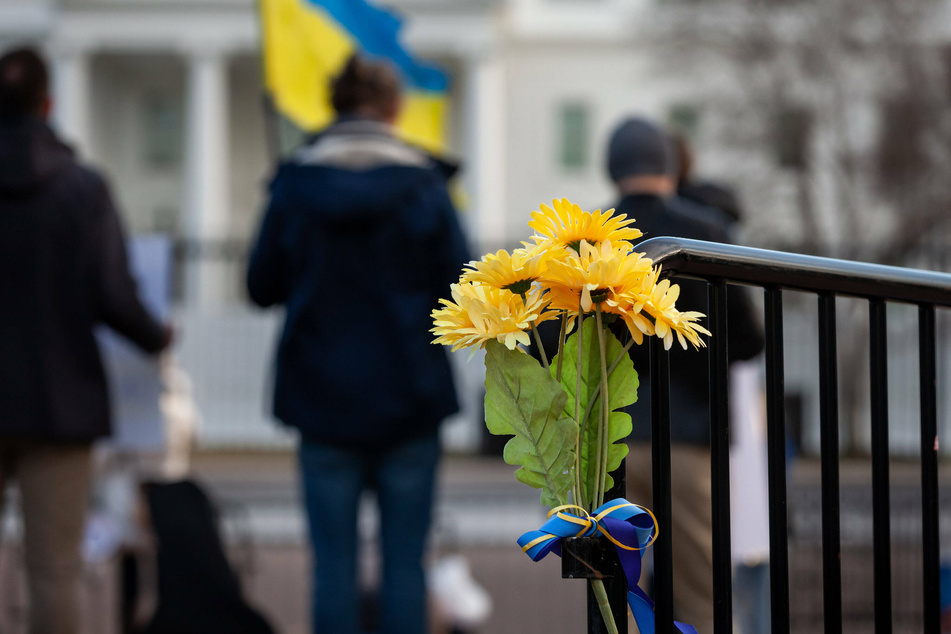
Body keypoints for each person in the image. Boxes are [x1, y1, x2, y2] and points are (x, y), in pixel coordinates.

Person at [247, 54, 469, 634]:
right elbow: (459, 285)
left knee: (333, 568)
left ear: (333, 105)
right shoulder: (425, 185)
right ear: (395, 108)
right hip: (411, 392)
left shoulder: (295, 184)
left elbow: (259, 285)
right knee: (405, 567)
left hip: (320, 398)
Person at [0, 47, 171, 634]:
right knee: (54, 569)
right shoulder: (82, 188)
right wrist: (157, 336)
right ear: (48, 102)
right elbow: (114, 295)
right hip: (59, 397)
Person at [604, 117, 764, 634]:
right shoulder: (705, 233)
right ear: (670, 166)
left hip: (609, 440)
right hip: (692, 434)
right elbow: (749, 338)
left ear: (612, 168)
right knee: (700, 594)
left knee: (611, 593)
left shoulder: (591, 238)